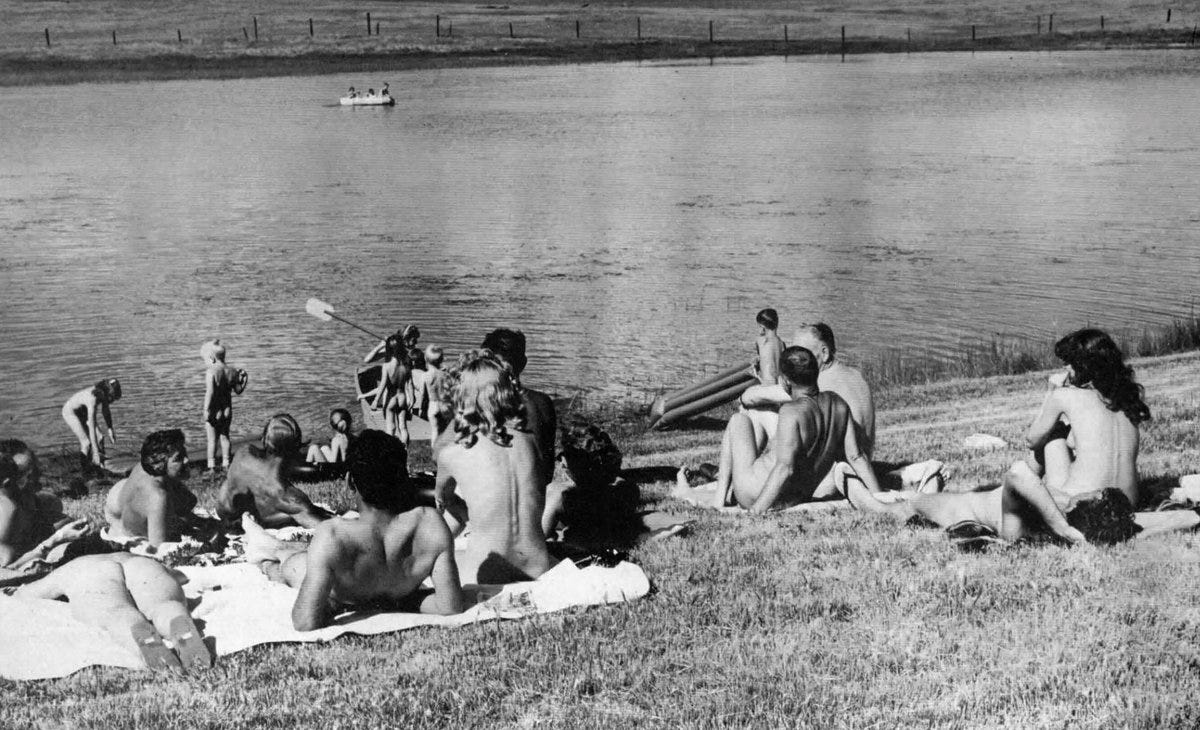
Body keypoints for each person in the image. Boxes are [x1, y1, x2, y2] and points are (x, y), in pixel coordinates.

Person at [845, 328, 1154, 547]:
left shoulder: (1067, 396)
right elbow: (1089, 446)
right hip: (1123, 501)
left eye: (1068, 364)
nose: (1065, 370)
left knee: (968, 503)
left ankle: (899, 505)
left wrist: (1052, 392)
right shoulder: (1125, 403)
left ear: (1081, 367)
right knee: (1056, 439)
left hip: (1078, 500)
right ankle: (913, 500)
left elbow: (1033, 438)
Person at [242, 429, 464, 631]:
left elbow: (304, 621)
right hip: (397, 583)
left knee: (290, 565)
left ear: (349, 482)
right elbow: (450, 606)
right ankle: (266, 546)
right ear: (403, 479)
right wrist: (400, 600)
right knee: (302, 553)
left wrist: (335, 605)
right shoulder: (430, 524)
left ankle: (265, 558)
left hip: (344, 591)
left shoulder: (333, 534)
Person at [681, 346, 882, 513]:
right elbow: (857, 457)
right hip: (795, 497)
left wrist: (755, 511)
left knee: (738, 421)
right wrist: (880, 495)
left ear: (785, 381)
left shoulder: (791, 411)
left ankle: (719, 499)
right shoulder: (838, 404)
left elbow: (785, 468)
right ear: (816, 373)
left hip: (754, 492)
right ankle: (721, 488)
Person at [435, 350, 555, 584]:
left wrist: (471, 515)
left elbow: (443, 502)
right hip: (538, 566)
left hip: (487, 572)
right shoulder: (529, 440)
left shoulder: (452, 454)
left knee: (435, 549)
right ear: (506, 394)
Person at [11, 553, 212, 673]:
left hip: (91, 573)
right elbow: (181, 576)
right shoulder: (132, 555)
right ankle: (176, 622)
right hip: (143, 565)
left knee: (116, 612)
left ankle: (138, 632)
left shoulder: (73, 566)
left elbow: (29, 594)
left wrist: (17, 591)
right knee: (164, 604)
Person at [740, 323, 877, 458]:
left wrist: (744, 397)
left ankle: (745, 471)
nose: (794, 358)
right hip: (861, 462)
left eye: (802, 353)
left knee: (756, 411)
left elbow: (751, 397)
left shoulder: (815, 383)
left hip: (834, 469)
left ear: (824, 353)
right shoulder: (856, 375)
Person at [216, 414, 334, 529]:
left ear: (263, 439)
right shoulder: (288, 497)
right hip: (263, 516)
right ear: (295, 451)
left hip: (225, 514)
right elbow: (326, 528)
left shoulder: (243, 452)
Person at [478, 328, 557, 487]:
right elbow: (547, 471)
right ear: (523, 363)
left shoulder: (483, 402)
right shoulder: (543, 402)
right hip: (535, 497)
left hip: (494, 496)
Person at [0, 440, 95, 569]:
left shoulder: (25, 498)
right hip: (13, 564)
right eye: (23, 473)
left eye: (32, 470)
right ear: (7, 479)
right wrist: (54, 540)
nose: (33, 478)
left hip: (24, 534)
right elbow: (5, 571)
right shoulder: (7, 509)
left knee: (54, 506)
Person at [541, 421, 638, 547]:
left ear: (567, 463)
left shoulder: (558, 494)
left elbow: (540, 537)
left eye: (562, 456)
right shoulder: (627, 490)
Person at [104, 430, 198, 548]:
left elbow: (185, 507)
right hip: (120, 514)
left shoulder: (149, 468)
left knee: (188, 501)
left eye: (185, 454)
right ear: (159, 466)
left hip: (122, 496)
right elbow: (160, 550)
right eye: (178, 458)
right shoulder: (158, 497)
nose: (187, 460)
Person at [201, 339, 248, 471]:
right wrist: (244, 379)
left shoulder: (211, 372)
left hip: (214, 411)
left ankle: (211, 467)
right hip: (227, 410)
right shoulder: (232, 371)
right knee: (225, 437)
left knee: (212, 441)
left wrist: (206, 410)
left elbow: (210, 393)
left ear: (211, 357)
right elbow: (238, 391)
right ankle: (226, 464)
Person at [61, 378, 122, 472]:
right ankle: (85, 471)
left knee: (100, 437)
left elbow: (105, 411)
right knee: (86, 443)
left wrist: (110, 428)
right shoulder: (92, 400)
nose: (112, 401)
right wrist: (96, 452)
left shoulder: (104, 392)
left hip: (83, 412)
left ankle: (99, 464)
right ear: (107, 394)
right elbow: (92, 428)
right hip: (70, 412)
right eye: (112, 398)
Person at [754, 308, 785, 386]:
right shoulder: (781, 343)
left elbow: (770, 379)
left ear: (762, 326)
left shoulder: (765, 345)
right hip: (780, 386)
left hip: (770, 389)